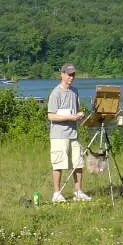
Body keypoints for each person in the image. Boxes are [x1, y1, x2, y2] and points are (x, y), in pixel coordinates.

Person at [47, 63, 92, 202]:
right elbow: (51, 116)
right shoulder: (56, 93)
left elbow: (75, 110)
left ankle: (78, 192)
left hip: (73, 134)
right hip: (59, 135)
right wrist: (69, 117)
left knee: (78, 164)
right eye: (69, 74)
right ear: (62, 74)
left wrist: (80, 115)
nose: (71, 77)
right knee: (59, 164)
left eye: (73, 75)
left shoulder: (75, 91)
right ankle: (56, 193)